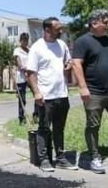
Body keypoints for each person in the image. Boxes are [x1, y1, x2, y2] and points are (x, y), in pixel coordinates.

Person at [72, 9, 108, 174]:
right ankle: (94, 156)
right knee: (93, 125)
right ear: (94, 23)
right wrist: (83, 87)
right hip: (93, 92)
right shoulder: (82, 41)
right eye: (105, 22)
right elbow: (76, 64)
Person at [26, 17, 76, 172]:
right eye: (57, 29)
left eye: (61, 28)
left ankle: (60, 158)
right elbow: (30, 73)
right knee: (44, 128)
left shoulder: (62, 45)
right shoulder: (37, 48)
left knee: (59, 128)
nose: (61, 31)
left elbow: (68, 63)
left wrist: (68, 66)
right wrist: (37, 92)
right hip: (45, 96)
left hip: (62, 94)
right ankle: (43, 159)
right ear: (47, 30)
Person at [13, 33, 36, 124]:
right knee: (22, 99)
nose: (25, 42)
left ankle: (36, 115)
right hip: (22, 77)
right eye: (24, 40)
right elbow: (19, 63)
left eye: (26, 40)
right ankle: (21, 118)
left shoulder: (30, 50)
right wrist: (24, 70)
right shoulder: (17, 50)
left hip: (30, 76)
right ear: (20, 41)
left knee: (37, 94)